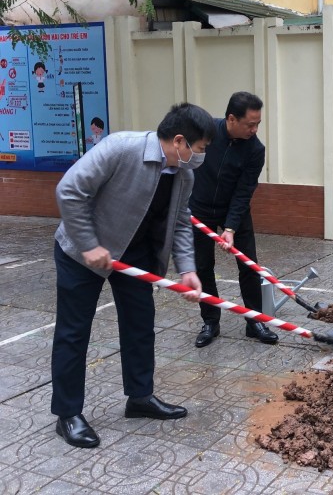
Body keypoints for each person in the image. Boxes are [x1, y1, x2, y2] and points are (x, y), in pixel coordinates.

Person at [51, 102, 216, 448]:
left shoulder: (184, 174)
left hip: (134, 253)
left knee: (141, 325)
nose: (201, 157)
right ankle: (68, 414)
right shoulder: (121, 148)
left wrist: (187, 269)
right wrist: (88, 244)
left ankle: (139, 397)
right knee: (74, 331)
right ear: (180, 142)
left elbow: (182, 221)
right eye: (199, 149)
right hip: (83, 253)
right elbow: (69, 190)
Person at [190, 91, 278, 347]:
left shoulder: (255, 149)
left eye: (258, 123)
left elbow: (244, 191)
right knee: (202, 266)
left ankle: (255, 321)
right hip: (200, 208)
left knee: (248, 265)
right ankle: (210, 321)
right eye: (250, 124)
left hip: (234, 210)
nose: (255, 129)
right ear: (231, 119)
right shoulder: (206, 134)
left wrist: (230, 227)